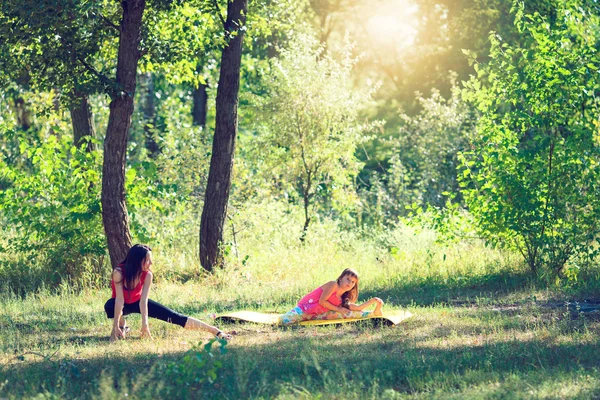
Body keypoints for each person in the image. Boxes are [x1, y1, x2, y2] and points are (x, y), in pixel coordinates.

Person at [104, 244, 231, 342]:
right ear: (137, 261)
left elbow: (143, 301)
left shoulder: (147, 275)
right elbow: (119, 300)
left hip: (138, 302)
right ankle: (121, 325)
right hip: (121, 304)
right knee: (110, 305)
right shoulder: (119, 273)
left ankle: (216, 331)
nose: (151, 263)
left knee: (175, 316)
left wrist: (145, 325)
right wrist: (114, 326)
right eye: (148, 260)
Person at [278, 268, 384, 325]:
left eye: (353, 282)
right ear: (341, 277)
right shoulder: (333, 284)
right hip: (304, 309)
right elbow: (322, 301)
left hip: (317, 315)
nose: (349, 283)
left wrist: (374, 301)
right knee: (283, 321)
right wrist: (339, 309)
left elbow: (357, 308)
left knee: (349, 312)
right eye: (348, 279)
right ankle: (291, 316)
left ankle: (373, 313)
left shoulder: (343, 297)